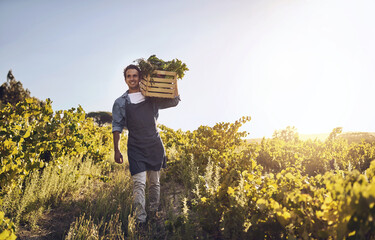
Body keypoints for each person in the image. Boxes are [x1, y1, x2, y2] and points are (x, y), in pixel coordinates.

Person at [112, 64, 180, 225]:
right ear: (125, 79)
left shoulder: (151, 96)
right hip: (135, 147)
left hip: (154, 145)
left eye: (135, 75)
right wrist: (117, 150)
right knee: (139, 183)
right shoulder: (120, 102)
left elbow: (174, 101)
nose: (132, 79)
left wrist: (174, 82)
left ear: (140, 77)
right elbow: (116, 127)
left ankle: (153, 212)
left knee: (154, 183)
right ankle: (140, 220)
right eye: (129, 76)